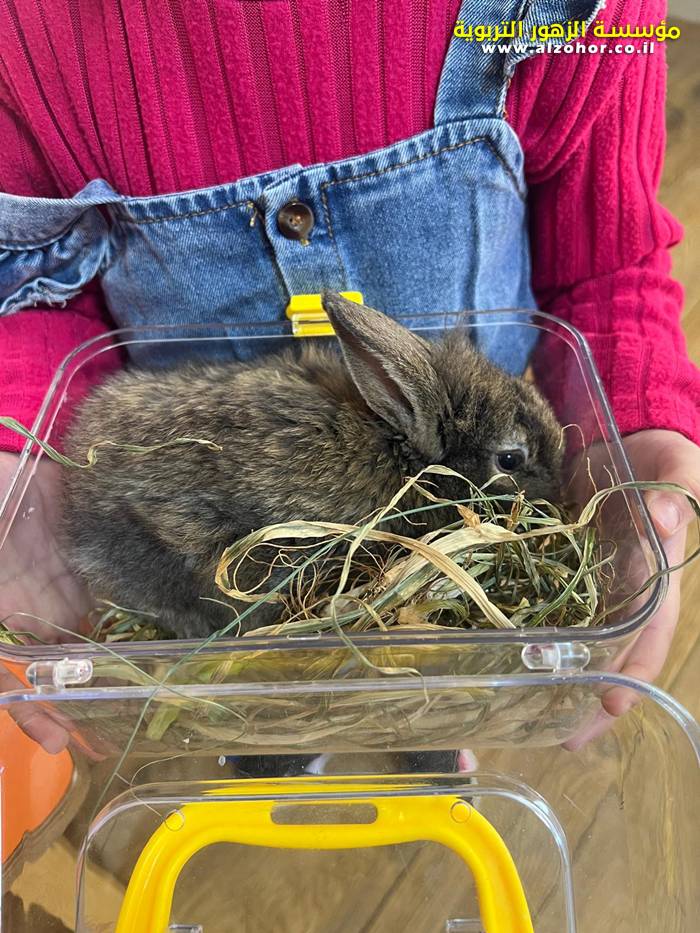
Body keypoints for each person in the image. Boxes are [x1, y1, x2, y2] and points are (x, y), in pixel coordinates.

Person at [0, 0, 698, 759]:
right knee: (249, 649)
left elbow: (608, 260)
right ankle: (277, 734)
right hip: (172, 540)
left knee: (416, 666)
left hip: (183, 455)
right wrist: (20, 444)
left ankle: (423, 721)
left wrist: (630, 415)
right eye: (510, 466)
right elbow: (32, 283)